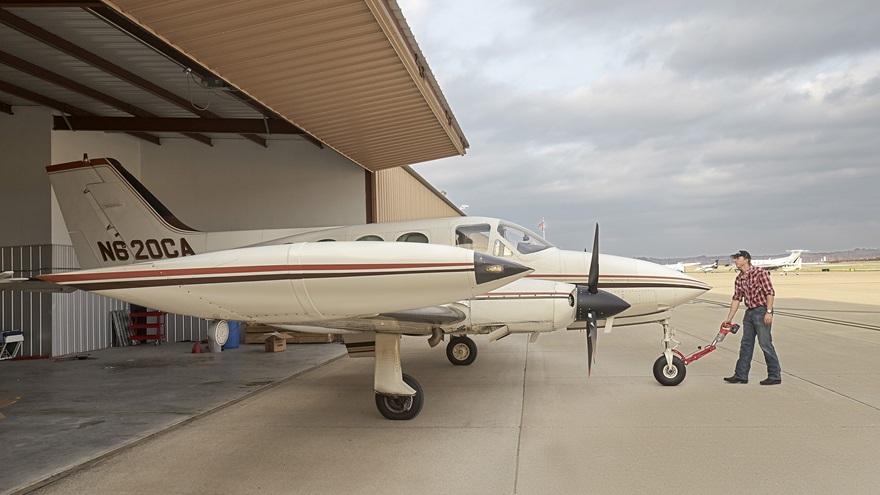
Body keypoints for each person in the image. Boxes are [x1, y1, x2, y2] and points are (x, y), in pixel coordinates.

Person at [723, 250, 782, 385]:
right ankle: (741, 375)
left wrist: (768, 312)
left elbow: (770, 293)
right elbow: (737, 299)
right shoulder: (739, 278)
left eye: (738, 258)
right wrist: (729, 318)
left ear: (747, 259)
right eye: (734, 258)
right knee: (746, 344)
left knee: (765, 344)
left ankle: (774, 375)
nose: (735, 261)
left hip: (762, 311)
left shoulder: (760, 273)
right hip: (749, 313)